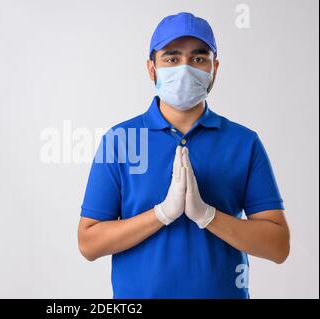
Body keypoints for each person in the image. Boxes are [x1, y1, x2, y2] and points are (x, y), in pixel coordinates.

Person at [77, 12, 290, 299]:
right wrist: (162, 214)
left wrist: (207, 215)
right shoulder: (120, 141)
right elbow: (89, 243)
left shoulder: (244, 143)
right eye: (172, 58)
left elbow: (278, 246)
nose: (185, 68)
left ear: (215, 68)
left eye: (198, 59)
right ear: (151, 68)